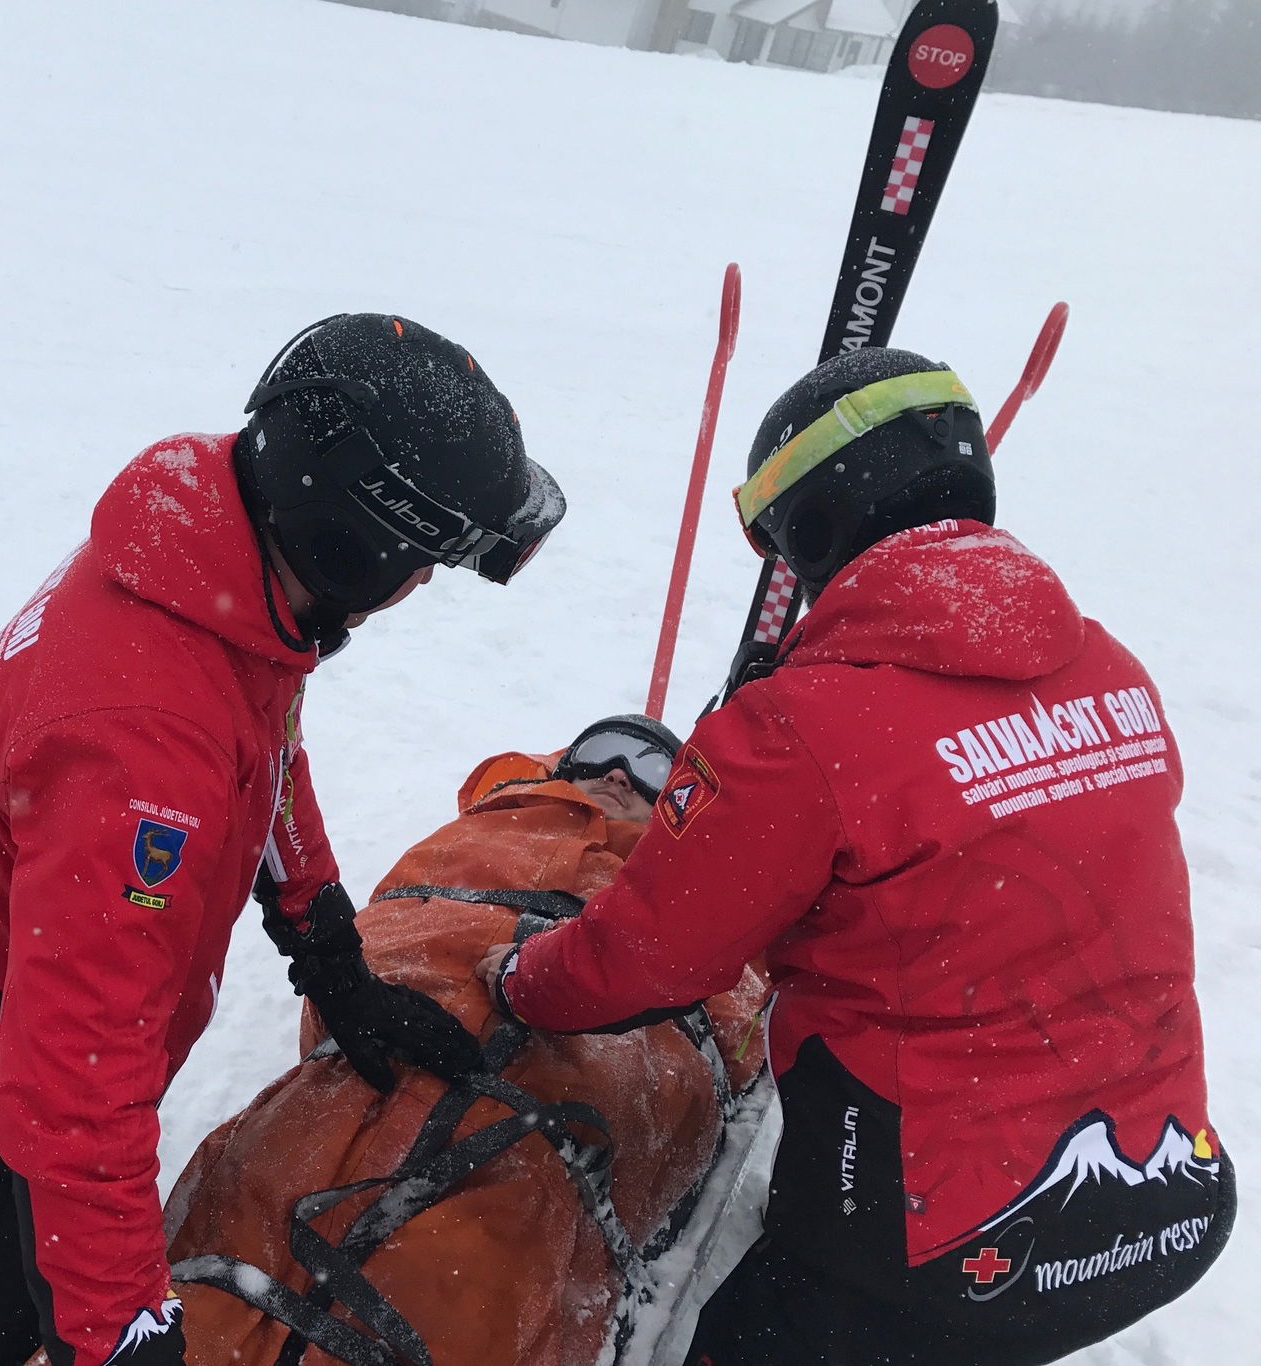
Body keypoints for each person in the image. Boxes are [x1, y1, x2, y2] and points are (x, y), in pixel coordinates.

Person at [0, 313, 567, 1366]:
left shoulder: (215, 564)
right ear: (356, 541)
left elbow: (264, 757)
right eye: (425, 562)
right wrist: (120, 1337)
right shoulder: (143, 750)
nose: (420, 588)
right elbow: (69, 1094)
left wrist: (328, 951)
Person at [475, 347, 1235, 1365]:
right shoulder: (1107, 665)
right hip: (1166, 1202)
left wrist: (521, 985)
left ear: (814, 525)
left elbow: (645, 962)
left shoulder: (800, 728)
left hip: (943, 1246)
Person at [166, 715, 771, 1366]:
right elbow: (386, 929)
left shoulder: (700, 881)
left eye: (654, 769)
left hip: (559, 1109)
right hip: (387, 1046)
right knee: (256, 1211)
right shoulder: (494, 825)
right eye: (600, 753)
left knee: (466, 1267)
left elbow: (729, 1035)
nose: (619, 771)